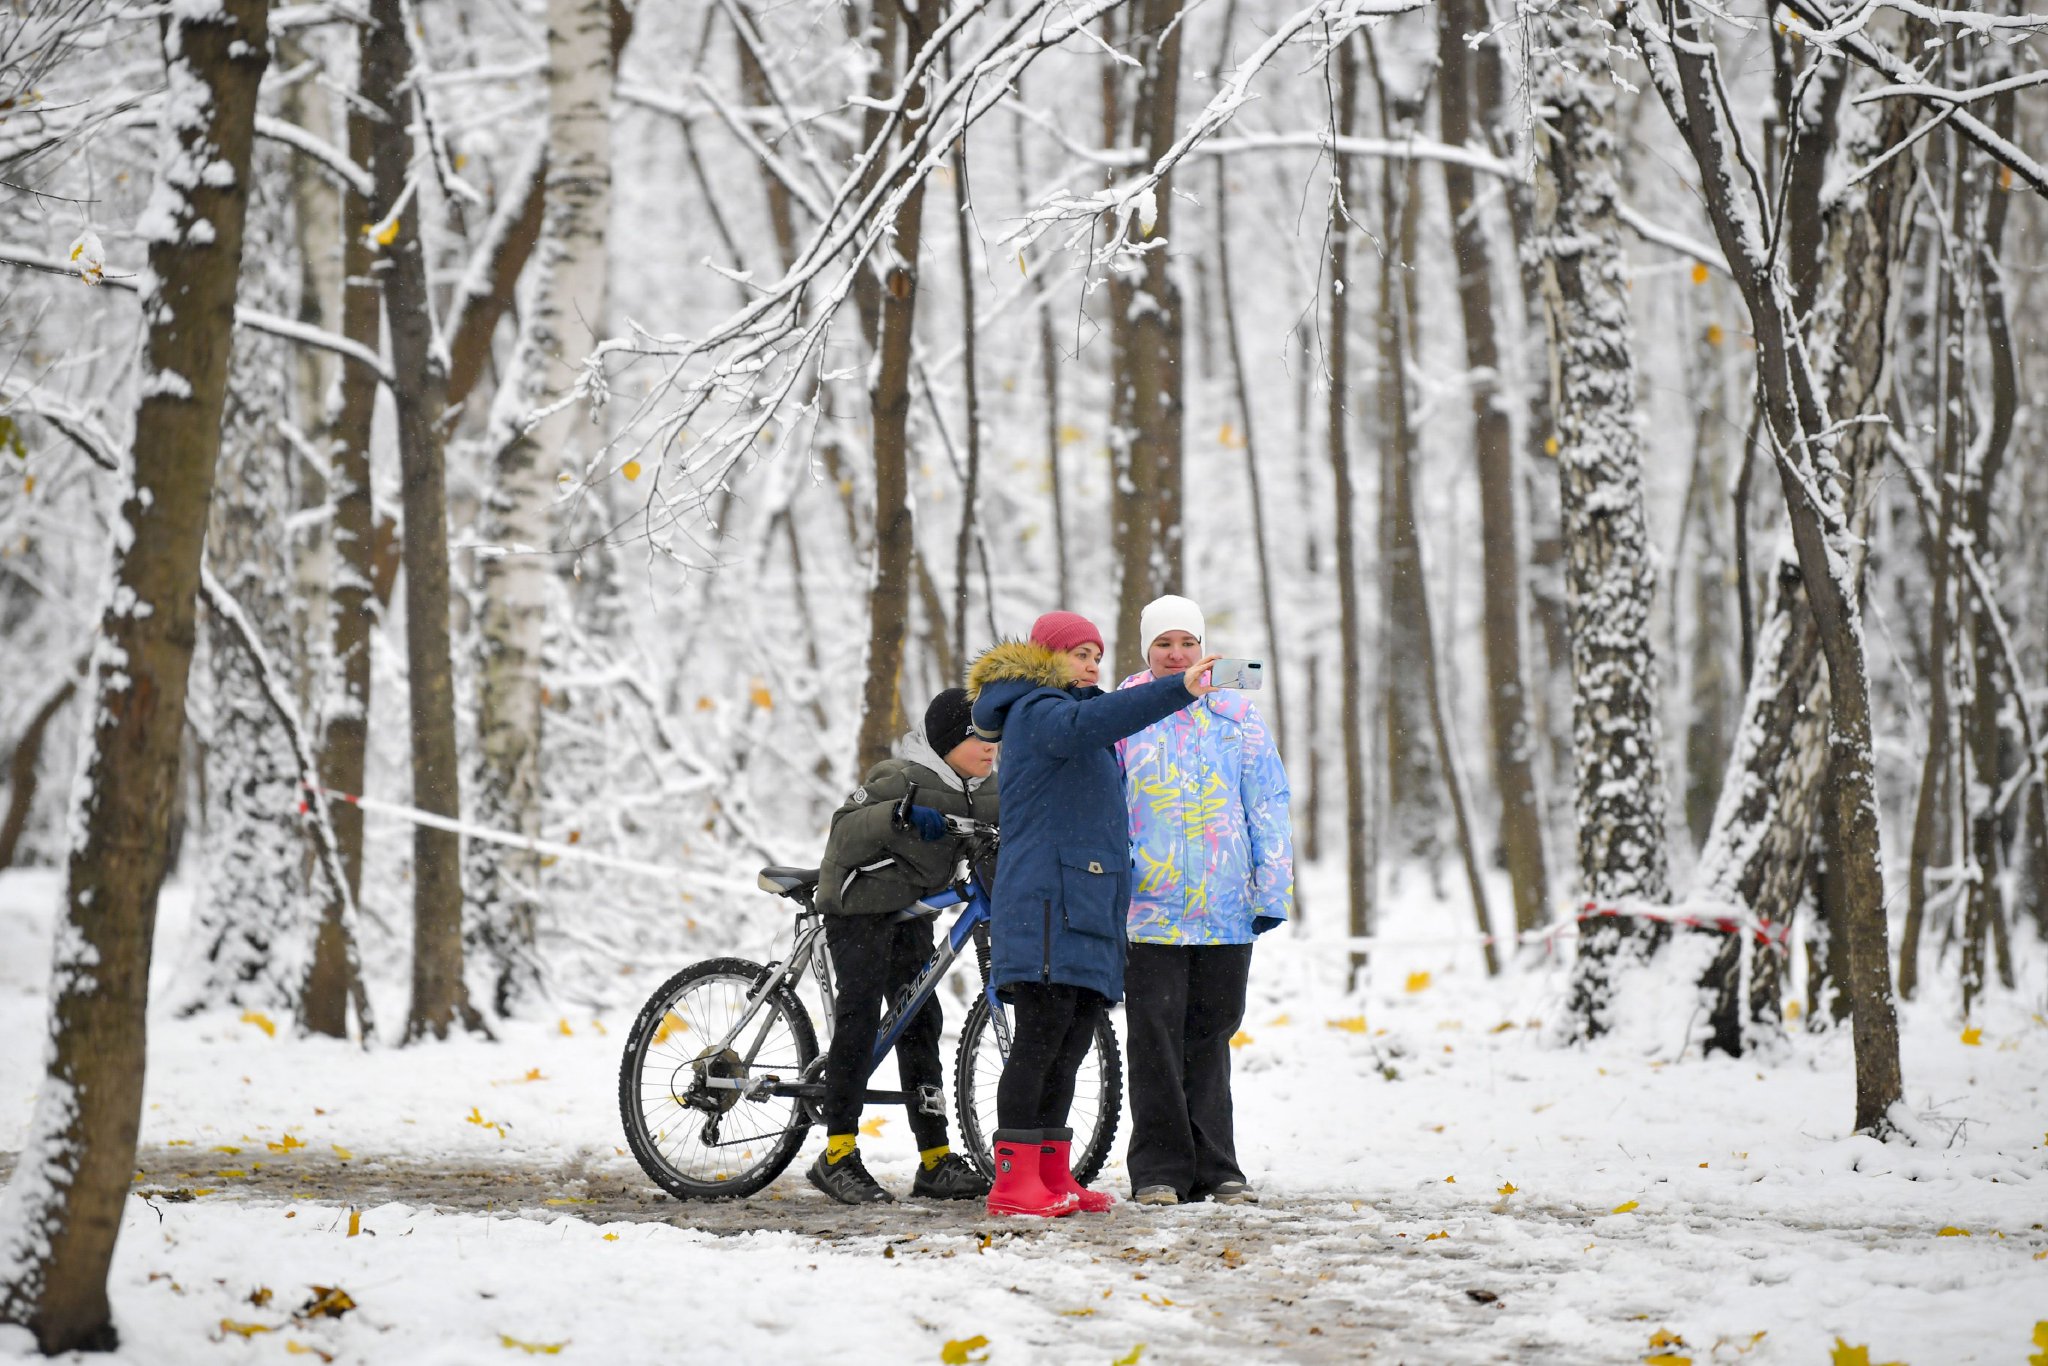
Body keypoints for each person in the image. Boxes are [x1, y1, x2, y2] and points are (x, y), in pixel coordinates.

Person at [966, 611, 1218, 1217]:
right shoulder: (1038, 711)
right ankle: (1013, 1182)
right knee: (1039, 1040)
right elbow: (1096, 718)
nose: (1093, 665)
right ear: (1048, 658)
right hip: (1047, 901)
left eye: (1097, 655)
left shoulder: (1068, 717)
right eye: (1080, 653)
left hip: (1086, 900)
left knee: (1072, 1039)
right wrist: (1178, 689)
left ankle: (1050, 1174)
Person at [1114, 594, 1293, 1207]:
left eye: (1186, 642)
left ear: (1203, 647)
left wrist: (1270, 889)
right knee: (1155, 1037)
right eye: (1164, 643)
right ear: (1146, 650)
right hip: (1149, 907)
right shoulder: (1123, 713)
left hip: (1225, 905)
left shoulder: (1236, 714)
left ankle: (1218, 1167)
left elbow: (1267, 801)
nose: (1176, 654)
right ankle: (1159, 1170)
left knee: (1211, 1034)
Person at [806, 688, 998, 1204]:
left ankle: (935, 1160)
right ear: (946, 741)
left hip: (911, 914)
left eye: (995, 736)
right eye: (979, 736)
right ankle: (837, 1154)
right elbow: (845, 831)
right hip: (861, 907)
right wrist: (899, 814)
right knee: (861, 1013)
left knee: (920, 1024)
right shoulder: (901, 775)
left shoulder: (986, 789)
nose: (990, 746)